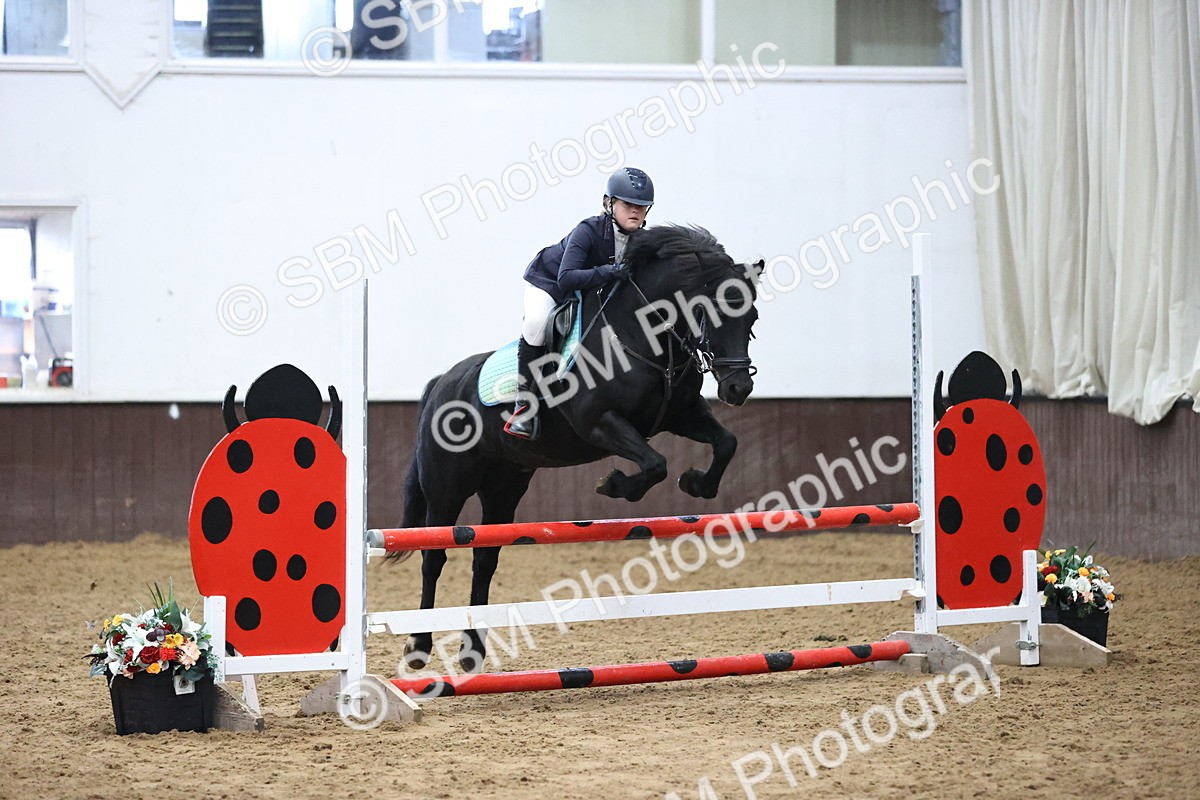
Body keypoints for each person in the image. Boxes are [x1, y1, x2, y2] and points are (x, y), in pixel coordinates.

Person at [504, 167, 655, 440]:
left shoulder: (643, 240)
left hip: (586, 291)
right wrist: (611, 272)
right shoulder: (589, 230)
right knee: (537, 324)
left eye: (641, 206)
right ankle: (523, 407)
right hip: (550, 283)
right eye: (627, 204)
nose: (635, 211)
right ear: (609, 203)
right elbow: (566, 278)